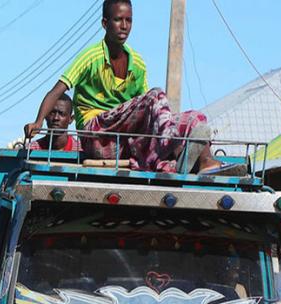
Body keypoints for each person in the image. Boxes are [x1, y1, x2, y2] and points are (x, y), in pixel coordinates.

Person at [25, 0, 231, 174]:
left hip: (122, 143)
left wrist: (181, 128)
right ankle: (170, 148)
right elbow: (57, 91)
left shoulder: (138, 63)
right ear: (105, 23)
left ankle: (204, 163)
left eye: (128, 20)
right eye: (118, 20)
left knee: (196, 118)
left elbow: (147, 114)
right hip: (96, 136)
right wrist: (38, 121)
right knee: (156, 96)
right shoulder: (91, 57)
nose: (124, 25)